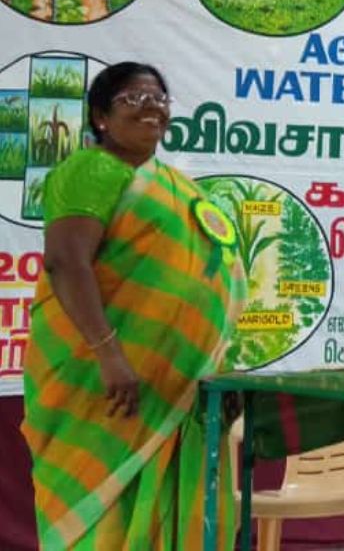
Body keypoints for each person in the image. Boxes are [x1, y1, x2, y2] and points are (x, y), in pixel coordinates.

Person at [21, 63, 247, 549]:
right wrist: (109, 354)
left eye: (159, 99)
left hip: (175, 389)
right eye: (133, 98)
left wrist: (216, 371)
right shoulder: (92, 169)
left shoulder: (179, 188)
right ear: (100, 117)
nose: (151, 108)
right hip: (104, 381)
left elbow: (206, 284)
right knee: (99, 512)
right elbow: (66, 262)